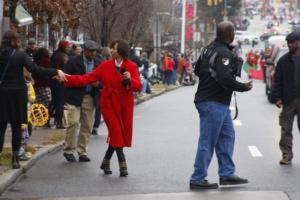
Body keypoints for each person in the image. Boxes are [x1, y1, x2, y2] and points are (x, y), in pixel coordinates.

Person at [64, 40, 142, 176]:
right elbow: (87, 78)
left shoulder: (132, 66)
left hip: (124, 104)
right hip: (109, 103)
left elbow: (138, 86)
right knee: (117, 131)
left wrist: (130, 79)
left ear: (121, 51)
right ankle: (122, 164)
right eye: (111, 48)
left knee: (119, 134)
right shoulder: (105, 65)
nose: (111, 50)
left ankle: (106, 161)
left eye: (115, 48)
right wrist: (67, 79)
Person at [190, 21, 253, 189]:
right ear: (231, 35)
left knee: (227, 136)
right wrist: (242, 87)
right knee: (207, 141)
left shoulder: (207, 49)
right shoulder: (224, 53)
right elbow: (225, 78)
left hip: (215, 102)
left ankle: (226, 174)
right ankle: (197, 178)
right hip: (213, 102)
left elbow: (197, 71)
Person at [0, 31, 66, 169]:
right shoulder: (20, 55)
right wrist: (54, 71)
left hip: (2, 93)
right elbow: (35, 69)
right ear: (15, 41)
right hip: (18, 94)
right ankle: (15, 158)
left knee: (1, 126)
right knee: (17, 127)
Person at [63, 40, 102, 162]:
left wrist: (99, 84)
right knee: (73, 122)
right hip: (74, 96)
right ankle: (69, 150)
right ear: (85, 50)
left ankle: (82, 151)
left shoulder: (99, 63)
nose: (93, 53)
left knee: (87, 125)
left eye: (94, 51)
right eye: (91, 51)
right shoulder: (73, 61)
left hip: (90, 96)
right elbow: (65, 78)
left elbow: (106, 79)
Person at [273, 32, 300, 165]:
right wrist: (277, 98)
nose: (290, 45)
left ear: (298, 42)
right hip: (288, 100)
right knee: (285, 129)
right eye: (288, 42)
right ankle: (286, 155)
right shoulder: (283, 61)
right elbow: (277, 81)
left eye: (292, 42)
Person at [49, 41, 71, 129]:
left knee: (54, 101)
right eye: (67, 47)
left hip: (55, 80)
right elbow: (60, 68)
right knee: (60, 102)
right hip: (59, 80)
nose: (68, 49)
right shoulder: (61, 56)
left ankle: (47, 119)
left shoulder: (56, 54)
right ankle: (59, 122)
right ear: (63, 47)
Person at [32, 48, 52, 127]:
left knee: (37, 103)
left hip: (36, 86)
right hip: (45, 85)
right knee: (47, 104)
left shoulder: (35, 62)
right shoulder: (47, 62)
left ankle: (38, 119)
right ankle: (46, 120)